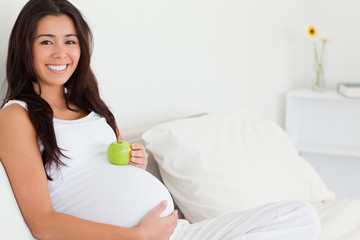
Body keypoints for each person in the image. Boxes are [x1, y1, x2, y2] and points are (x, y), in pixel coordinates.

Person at [0, 0, 321, 239]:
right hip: (135, 237)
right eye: (46, 41)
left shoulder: (92, 106)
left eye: (70, 41)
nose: (60, 52)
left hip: (174, 232)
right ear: (25, 48)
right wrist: (137, 236)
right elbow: (41, 221)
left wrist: (133, 164)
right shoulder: (17, 115)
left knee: (303, 216)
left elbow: (101, 174)